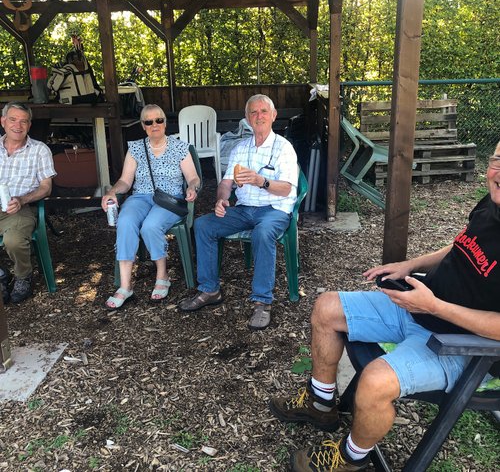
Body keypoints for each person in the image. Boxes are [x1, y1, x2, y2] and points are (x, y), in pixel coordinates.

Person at [269, 141, 500, 471]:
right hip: (420, 307)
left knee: (375, 382)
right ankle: (320, 405)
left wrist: (434, 307)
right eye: (498, 160)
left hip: (461, 345)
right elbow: (460, 245)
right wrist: (409, 265)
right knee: (327, 307)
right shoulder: (491, 204)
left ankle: (351, 459)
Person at [178, 94, 298, 330]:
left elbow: (286, 189)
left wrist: (261, 181)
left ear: (273, 116)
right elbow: (225, 183)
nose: (259, 116)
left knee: (262, 233)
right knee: (203, 225)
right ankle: (210, 290)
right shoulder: (240, 148)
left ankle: (262, 301)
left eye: (264, 111)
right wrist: (222, 199)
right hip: (244, 209)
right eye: (253, 112)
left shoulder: (284, 148)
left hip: (274, 210)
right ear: (247, 118)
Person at [101, 104, 200, 309]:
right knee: (125, 222)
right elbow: (125, 181)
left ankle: (162, 276)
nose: (155, 125)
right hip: (141, 197)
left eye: (159, 120)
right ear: (143, 125)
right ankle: (125, 286)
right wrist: (112, 192)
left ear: (165, 122)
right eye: (149, 121)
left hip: (169, 198)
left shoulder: (179, 147)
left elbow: (193, 177)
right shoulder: (136, 148)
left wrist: (192, 187)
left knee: (150, 226)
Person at [0, 101, 56, 304]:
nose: (18, 125)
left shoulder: (39, 150)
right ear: (3, 121)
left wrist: (22, 199)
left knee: (13, 240)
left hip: (20, 208)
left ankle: (23, 276)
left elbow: (46, 188)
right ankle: (1, 275)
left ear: (29, 125)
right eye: (13, 120)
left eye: (23, 121)